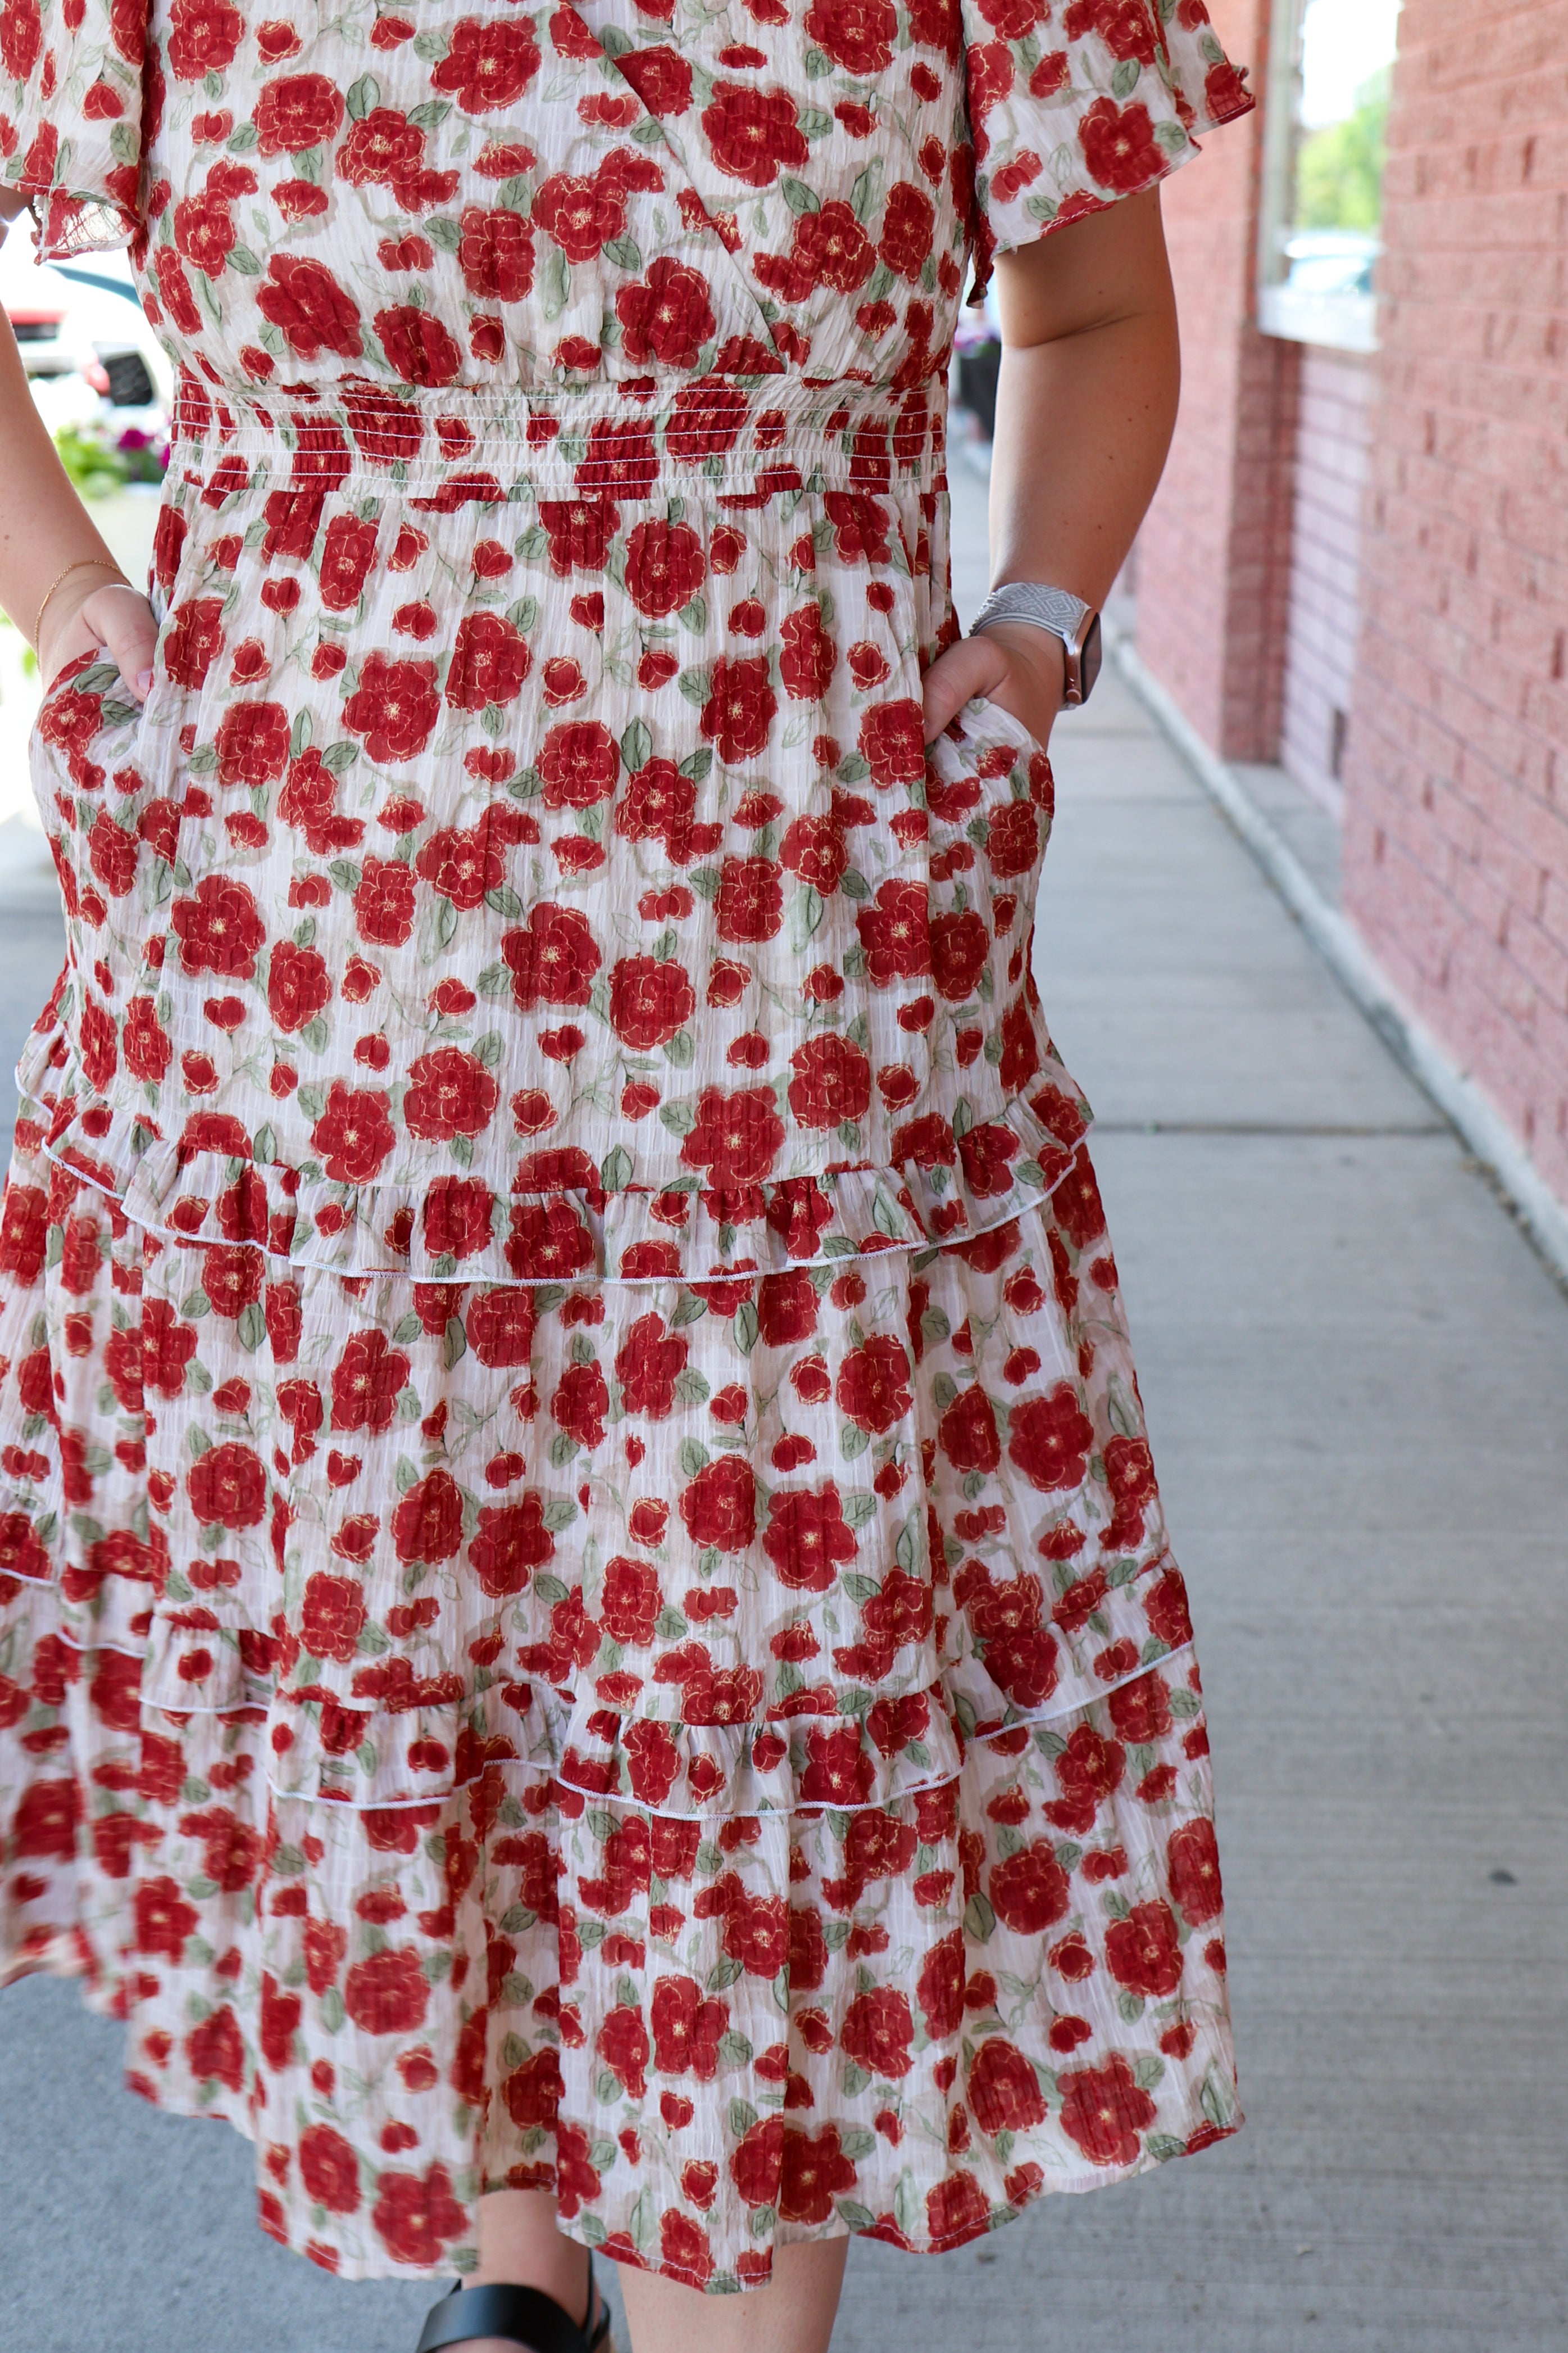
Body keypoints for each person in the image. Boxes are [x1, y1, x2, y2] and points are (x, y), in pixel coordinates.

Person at [0, 3, 1252, 2347]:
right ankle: (513, 2274)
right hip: (314, 1010)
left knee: (732, 1675)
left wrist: (1030, 631)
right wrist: (84, 629)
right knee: (435, 1621)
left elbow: (1087, 312)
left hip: (783, 1025)